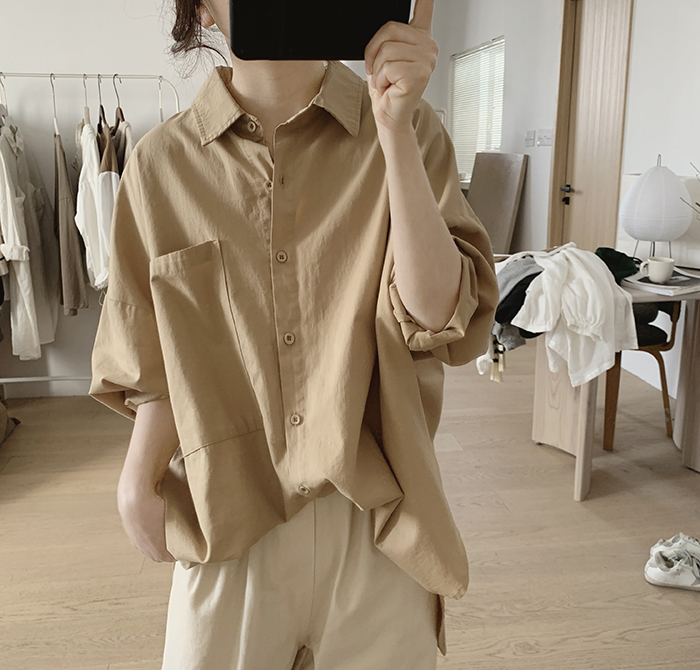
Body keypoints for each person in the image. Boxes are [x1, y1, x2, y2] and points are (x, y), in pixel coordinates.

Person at [88, 0, 499, 668]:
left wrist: (394, 131)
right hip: (227, 514)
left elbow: (438, 317)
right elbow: (158, 351)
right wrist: (137, 477)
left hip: (378, 517)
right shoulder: (160, 164)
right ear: (202, 11)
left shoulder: (411, 128)